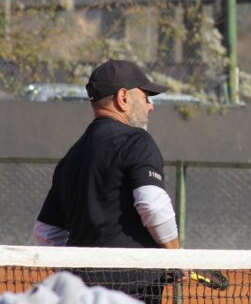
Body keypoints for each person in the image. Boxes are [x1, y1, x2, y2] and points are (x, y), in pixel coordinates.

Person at [33, 59, 180, 304]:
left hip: (81, 293)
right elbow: (153, 206)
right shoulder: (138, 141)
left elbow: (46, 233)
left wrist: (76, 274)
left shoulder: (71, 156)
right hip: (134, 290)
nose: (150, 106)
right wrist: (175, 258)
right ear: (123, 98)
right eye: (145, 97)